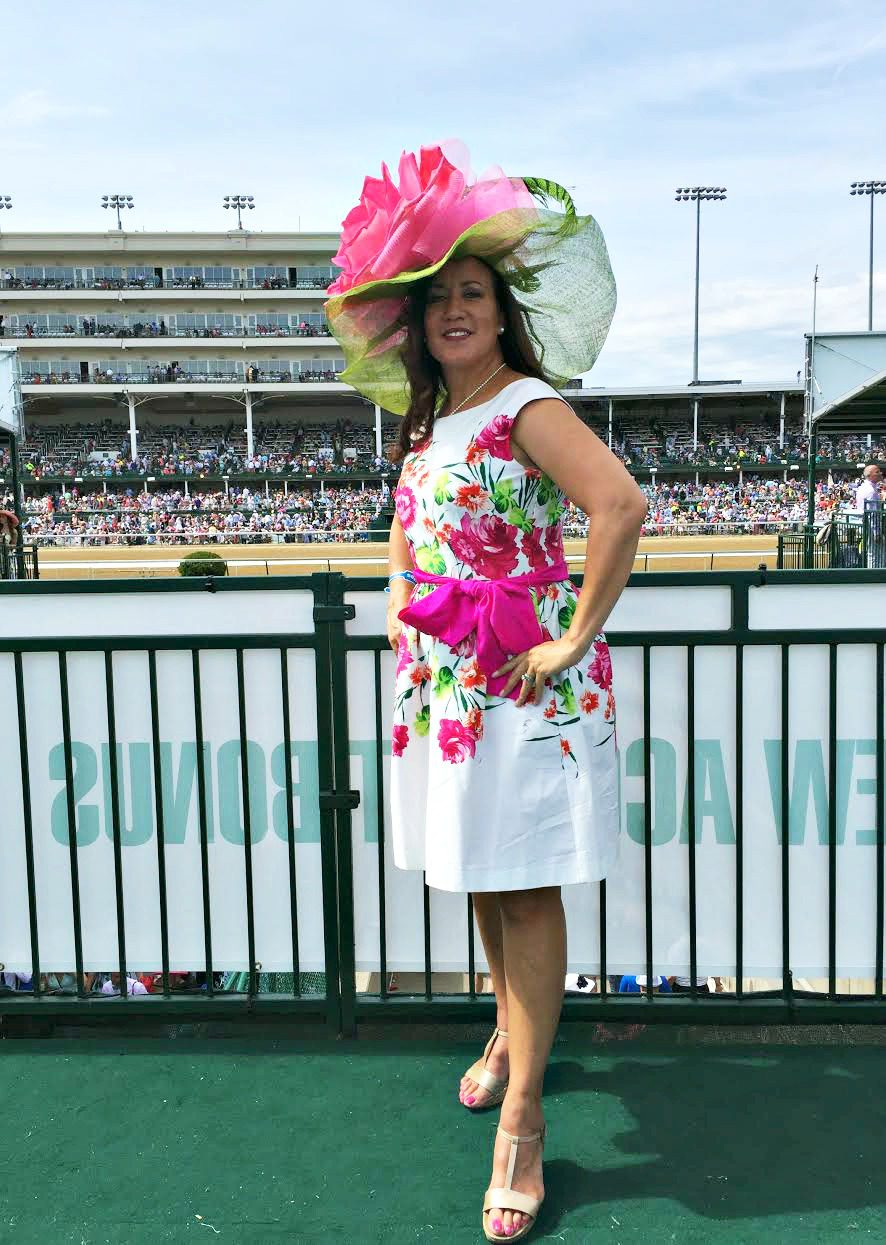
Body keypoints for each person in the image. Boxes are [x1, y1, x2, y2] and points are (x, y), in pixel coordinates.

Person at [326, 139, 646, 1242]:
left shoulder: (525, 403)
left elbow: (619, 506)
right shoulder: (427, 421)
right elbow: (409, 542)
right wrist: (398, 606)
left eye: (474, 293)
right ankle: (513, 1029)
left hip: (522, 680)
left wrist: (568, 641)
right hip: (447, 687)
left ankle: (524, 1117)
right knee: (474, 874)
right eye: (438, 298)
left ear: (501, 314)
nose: (455, 310)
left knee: (523, 887)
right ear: (412, 324)